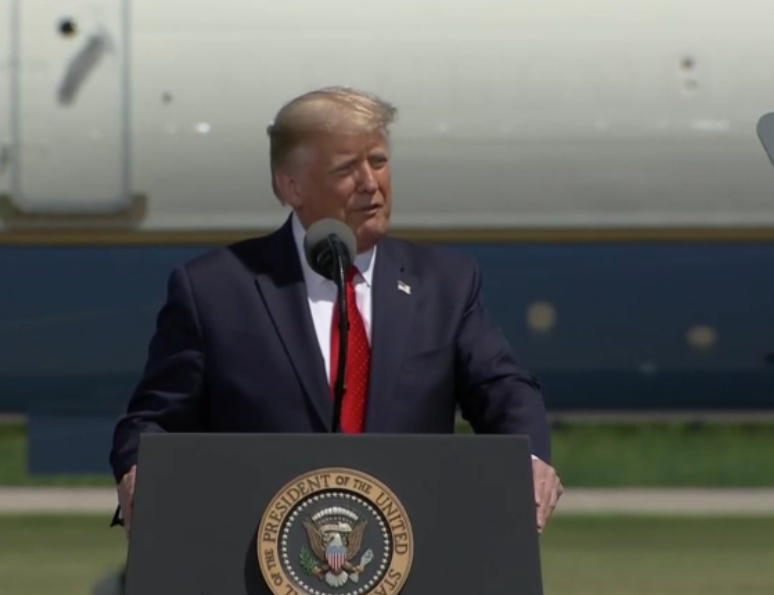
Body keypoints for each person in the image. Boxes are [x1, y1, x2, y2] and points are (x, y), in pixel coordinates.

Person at [109, 85, 563, 537]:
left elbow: (502, 386)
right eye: (347, 169)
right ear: (291, 186)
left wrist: (527, 461)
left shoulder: (444, 283)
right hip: (258, 555)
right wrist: (141, 467)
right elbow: (153, 420)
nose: (371, 183)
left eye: (379, 162)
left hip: (413, 554)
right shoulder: (214, 289)